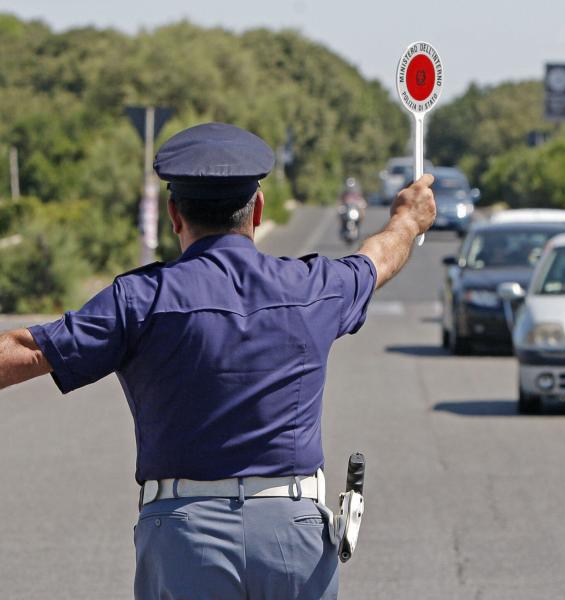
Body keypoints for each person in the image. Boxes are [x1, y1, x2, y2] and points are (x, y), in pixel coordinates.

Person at [0, 122, 435, 599]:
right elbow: (376, 261)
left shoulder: (141, 298)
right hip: (294, 537)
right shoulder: (313, 287)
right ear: (258, 209)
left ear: (174, 215)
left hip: (184, 539)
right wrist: (408, 220)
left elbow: (27, 351)